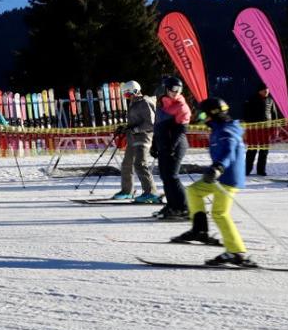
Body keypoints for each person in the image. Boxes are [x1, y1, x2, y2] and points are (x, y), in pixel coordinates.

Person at [171, 97, 255, 267]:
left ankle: (236, 252)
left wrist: (218, 167)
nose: (201, 119)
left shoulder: (226, 131)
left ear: (213, 114)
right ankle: (199, 230)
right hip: (218, 177)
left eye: (203, 115)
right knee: (194, 191)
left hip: (227, 178)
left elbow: (229, 151)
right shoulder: (220, 128)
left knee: (220, 213)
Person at [109, 80, 159, 203]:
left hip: (144, 138)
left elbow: (151, 124)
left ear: (135, 91)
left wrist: (134, 129)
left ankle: (151, 192)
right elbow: (135, 121)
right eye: (125, 95)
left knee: (140, 164)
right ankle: (127, 191)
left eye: (127, 94)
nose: (127, 98)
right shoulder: (134, 103)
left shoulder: (144, 103)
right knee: (127, 164)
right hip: (133, 138)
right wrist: (126, 127)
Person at [150, 76, 190, 219]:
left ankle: (185, 207)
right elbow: (158, 127)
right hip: (163, 144)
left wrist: (172, 147)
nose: (176, 92)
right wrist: (155, 145)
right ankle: (172, 205)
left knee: (172, 176)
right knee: (164, 176)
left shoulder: (181, 106)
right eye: (173, 89)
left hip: (176, 144)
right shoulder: (162, 104)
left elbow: (181, 130)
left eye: (179, 89)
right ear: (166, 89)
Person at [243, 83, 278, 177]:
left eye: (267, 89)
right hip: (254, 129)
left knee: (264, 151)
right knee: (252, 150)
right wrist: (249, 125)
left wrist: (275, 128)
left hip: (266, 130)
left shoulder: (270, 100)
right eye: (264, 89)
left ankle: (261, 170)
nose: (266, 91)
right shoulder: (251, 99)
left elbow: (274, 115)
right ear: (259, 91)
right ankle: (246, 169)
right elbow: (246, 114)